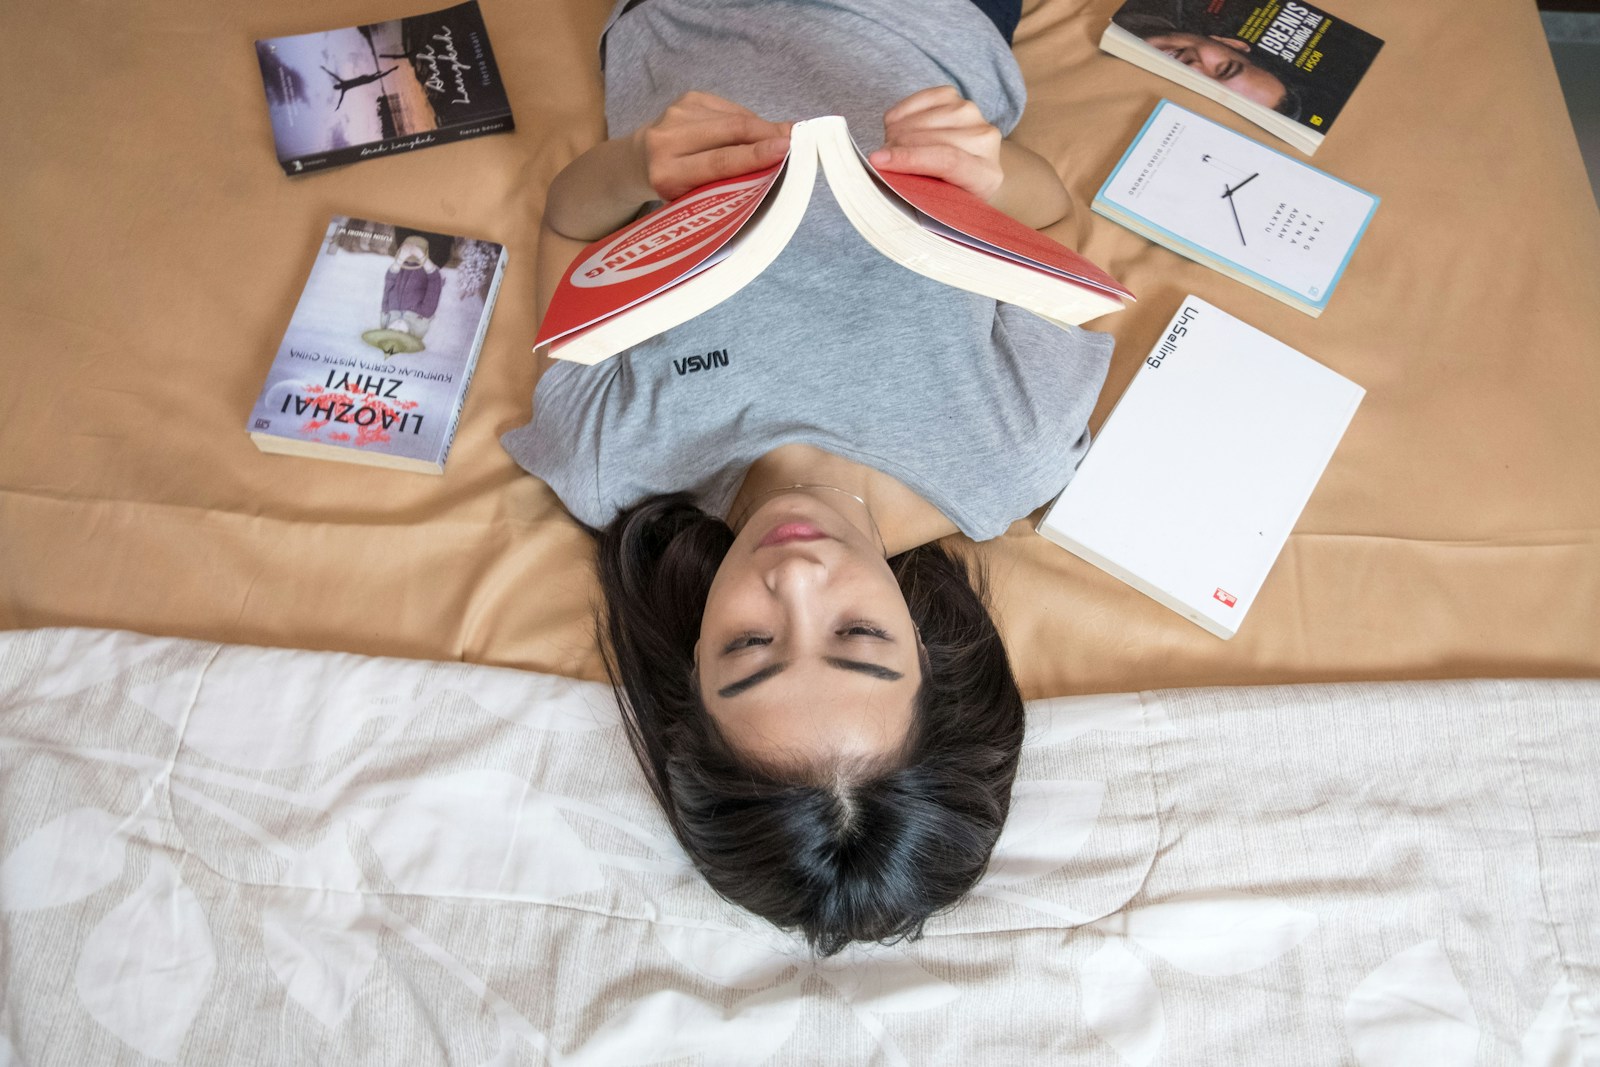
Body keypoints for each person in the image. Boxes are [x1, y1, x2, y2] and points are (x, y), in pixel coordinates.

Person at [502, 0, 1114, 955]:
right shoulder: (1012, 445)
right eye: (856, 633)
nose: (793, 579)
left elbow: (567, 224)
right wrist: (991, 169)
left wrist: (636, 167)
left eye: (750, 644)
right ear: (934, 653)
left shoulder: (611, 456)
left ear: (691, 667)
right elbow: (1052, 219)